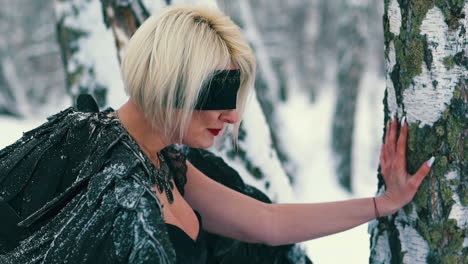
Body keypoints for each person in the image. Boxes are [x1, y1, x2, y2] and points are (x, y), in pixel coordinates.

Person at [0, 5, 434, 264]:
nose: (230, 116)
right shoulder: (87, 155)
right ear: (173, 80)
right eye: (218, 93)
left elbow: (267, 224)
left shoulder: (161, 161)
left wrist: (383, 204)